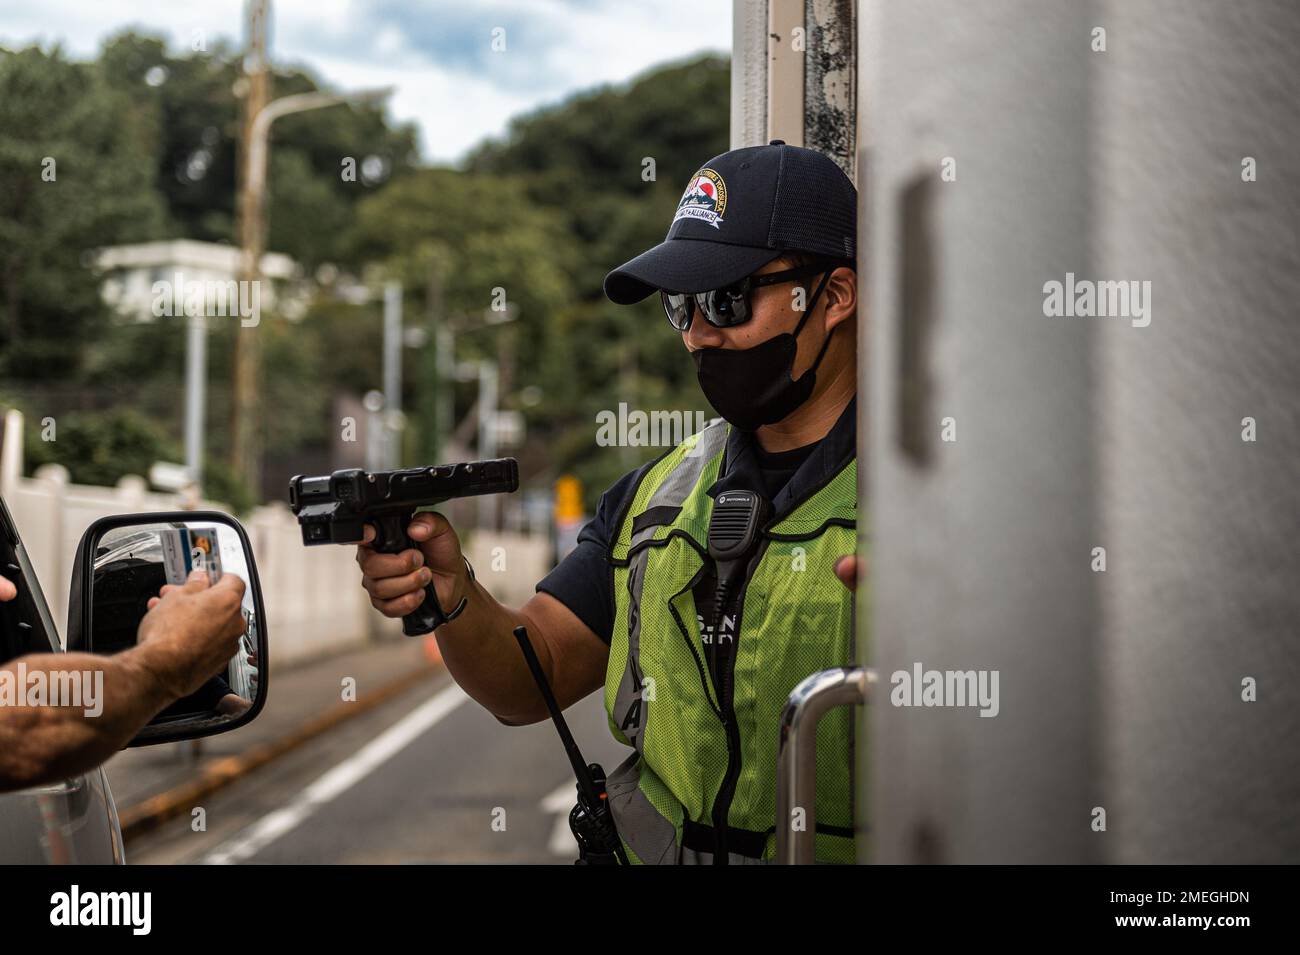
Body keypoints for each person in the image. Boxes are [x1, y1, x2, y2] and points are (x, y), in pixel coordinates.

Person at [357, 141, 862, 864]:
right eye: (681, 307)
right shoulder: (654, 500)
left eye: (727, 299)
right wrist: (454, 592)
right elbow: (529, 680)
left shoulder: (936, 507)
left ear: (834, 295)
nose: (699, 334)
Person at [0, 569, 248, 792]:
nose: (7, 588)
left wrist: (238, 705)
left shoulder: (203, 681)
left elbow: (219, 696)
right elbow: (19, 728)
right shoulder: (114, 656)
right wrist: (158, 668)